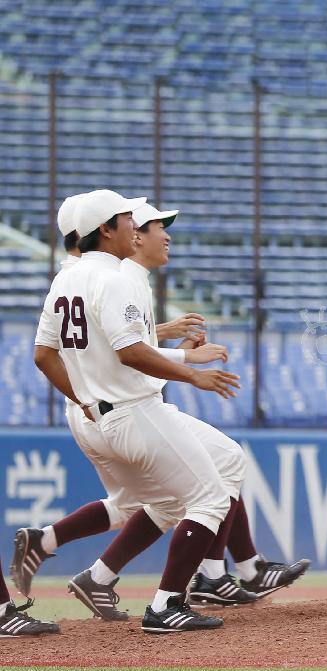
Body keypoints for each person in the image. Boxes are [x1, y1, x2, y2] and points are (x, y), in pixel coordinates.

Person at [33, 189, 240, 633]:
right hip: (135, 409)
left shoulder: (66, 278)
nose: (136, 224)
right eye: (127, 218)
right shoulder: (114, 278)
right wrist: (194, 376)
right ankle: (167, 605)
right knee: (210, 498)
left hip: (106, 414)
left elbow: (43, 355)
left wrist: (84, 398)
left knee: (173, 498)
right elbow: (129, 351)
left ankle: (102, 577)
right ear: (106, 231)